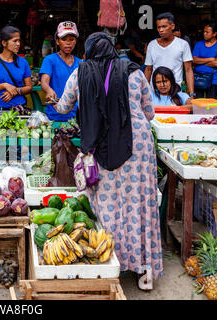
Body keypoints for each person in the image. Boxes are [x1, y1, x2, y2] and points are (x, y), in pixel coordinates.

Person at [54, 32, 163, 290]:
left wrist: (56, 102)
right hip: (137, 147)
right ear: (113, 50)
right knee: (140, 205)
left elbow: (63, 107)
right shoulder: (134, 72)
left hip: (100, 147)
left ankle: (109, 264)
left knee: (107, 206)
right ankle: (144, 271)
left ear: (89, 51)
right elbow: (149, 112)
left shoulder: (80, 73)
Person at [0, 26, 32, 113]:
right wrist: (4, 85)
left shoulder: (23, 62)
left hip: (19, 109)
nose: (18, 44)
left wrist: (15, 91)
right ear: (4, 43)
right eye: (15, 41)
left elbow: (29, 87)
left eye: (19, 40)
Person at [144, 12, 195, 99]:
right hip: (155, 91)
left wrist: (191, 94)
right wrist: (144, 92)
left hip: (176, 91)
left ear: (172, 26)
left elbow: (188, 70)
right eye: (158, 27)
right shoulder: (152, 45)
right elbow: (148, 69)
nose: (161, 30)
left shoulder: (183, 44)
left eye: (164, 26)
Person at [40, 21, 82, 122]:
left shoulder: (81, 63)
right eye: (64, 39)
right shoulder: (49, 60)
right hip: (55, 114)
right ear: (57, 41)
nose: (68, 43)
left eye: (71, 39)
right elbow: (44, 82)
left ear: (75, 41)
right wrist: (49, 90)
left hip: (77, 115)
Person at [192, 22, 217, 99]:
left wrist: (200, 61)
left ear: (214, 33)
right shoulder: (198, 44)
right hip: (197, 78)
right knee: (198, 104)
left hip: (212, 80)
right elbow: (193, 60)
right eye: (204, 32)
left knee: (211, 106)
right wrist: (211, 59)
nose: (204, 34)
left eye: (207, 32)